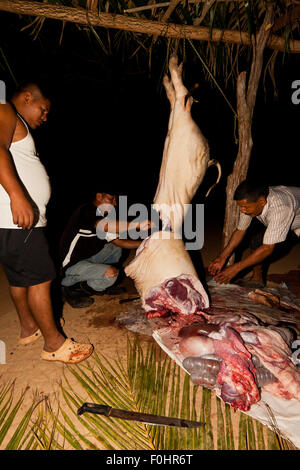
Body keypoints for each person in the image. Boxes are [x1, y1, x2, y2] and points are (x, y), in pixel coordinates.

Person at [0, 81, 93, 363]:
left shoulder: (14, 122)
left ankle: (29, 328)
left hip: (9, 221)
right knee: (42, 278)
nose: (45, 116)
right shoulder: (6, 111)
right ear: (27, 97)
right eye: (44, 108)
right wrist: (18, 196)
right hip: (16, 216)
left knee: (20, 278)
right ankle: (54, 344)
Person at [59, 190, 153, 308]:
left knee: (114, 248)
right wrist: (137, 224)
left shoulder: (103, 216)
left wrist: (147, 242)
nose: (115, 204)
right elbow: (103, 225)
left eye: (115, 200)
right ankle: (71, 290)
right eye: (111, 199)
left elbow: (120, 242)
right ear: (99, 196)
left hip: (86, 259)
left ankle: (100, 282)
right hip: (69, 266)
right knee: (111, 273)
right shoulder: (86, 210)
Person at [208, 180, 300, 286]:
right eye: (240, 207)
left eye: (245, 207)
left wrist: (235, 269)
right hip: (290, 216)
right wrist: (222, 257)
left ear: (261, 202)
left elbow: (267, 249)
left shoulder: (280, 208)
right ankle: (257, 280)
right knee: (257, 240)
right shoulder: (251, 200)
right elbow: (240, 230)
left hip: (294, 218)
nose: (242, 210)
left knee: (265, 245)